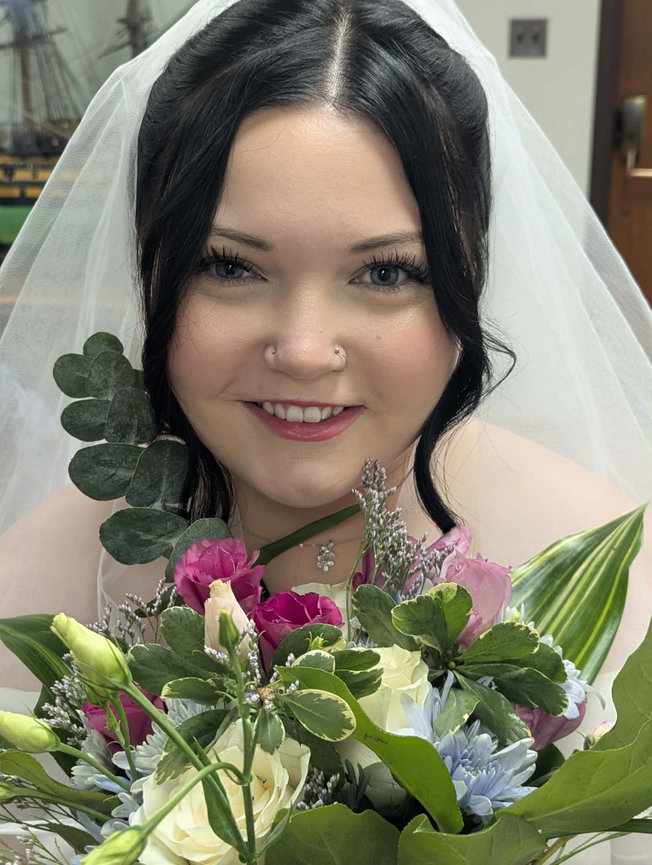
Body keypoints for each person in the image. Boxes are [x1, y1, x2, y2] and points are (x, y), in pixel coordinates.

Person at [0, 1, 650, 861]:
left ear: (467, 278)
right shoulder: (43, 591)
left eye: (385, 272)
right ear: (151, 269)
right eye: (229, 265)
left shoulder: (613, 573)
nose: (304, 350)